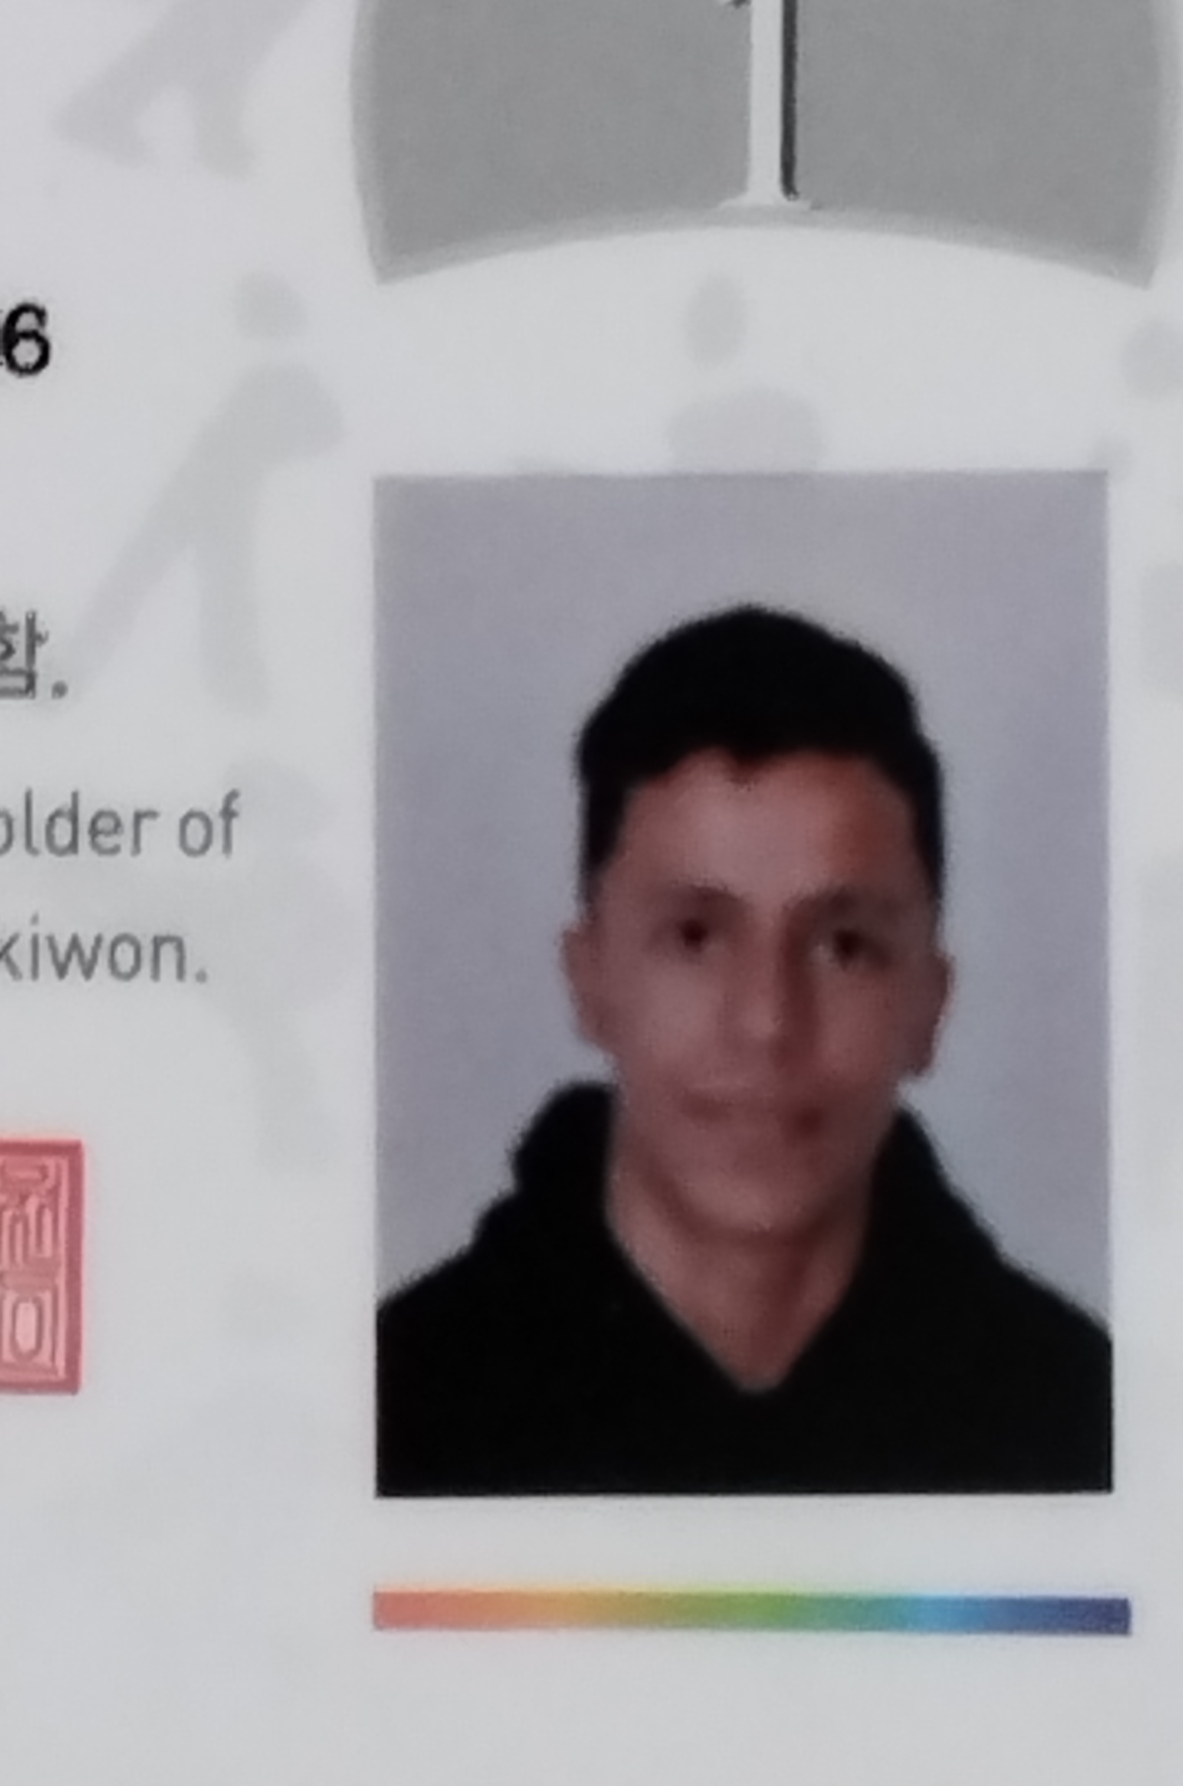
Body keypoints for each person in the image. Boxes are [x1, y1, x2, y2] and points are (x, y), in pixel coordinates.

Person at [378, 604, 1109, 1495]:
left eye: (845, 946)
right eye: (695, 936)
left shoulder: (1082, 1419)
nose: (767, 1022)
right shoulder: (397, 1410)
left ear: (930, 1004)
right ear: (589, 981)